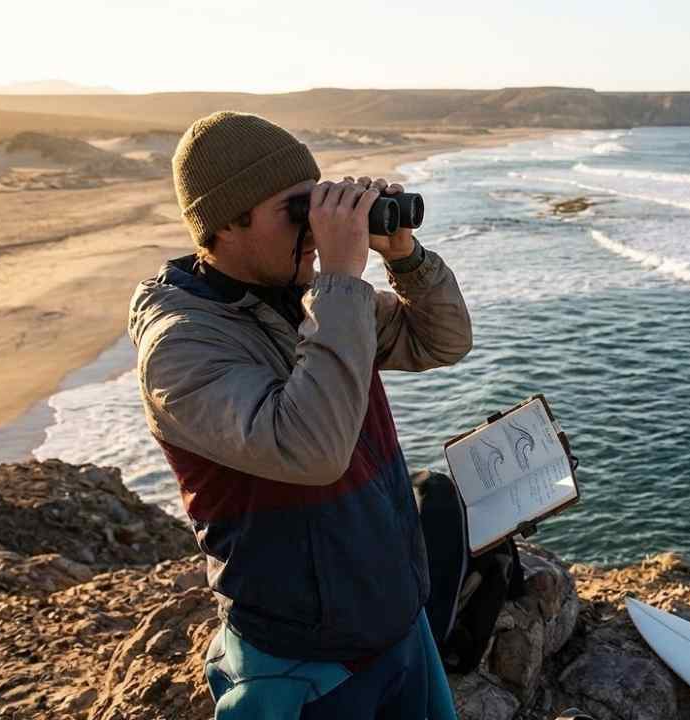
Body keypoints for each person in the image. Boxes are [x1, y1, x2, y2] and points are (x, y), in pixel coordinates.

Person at [128, 111, 471, 718]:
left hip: (395, 620)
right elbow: (310, 451)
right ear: (227, 221)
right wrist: (340, 276)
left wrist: (405, 256)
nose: (315, 230)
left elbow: (441, 341)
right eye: (298, 212)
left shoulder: (309, 300)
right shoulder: (182, 346)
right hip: (303, 660)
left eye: (318, 206)